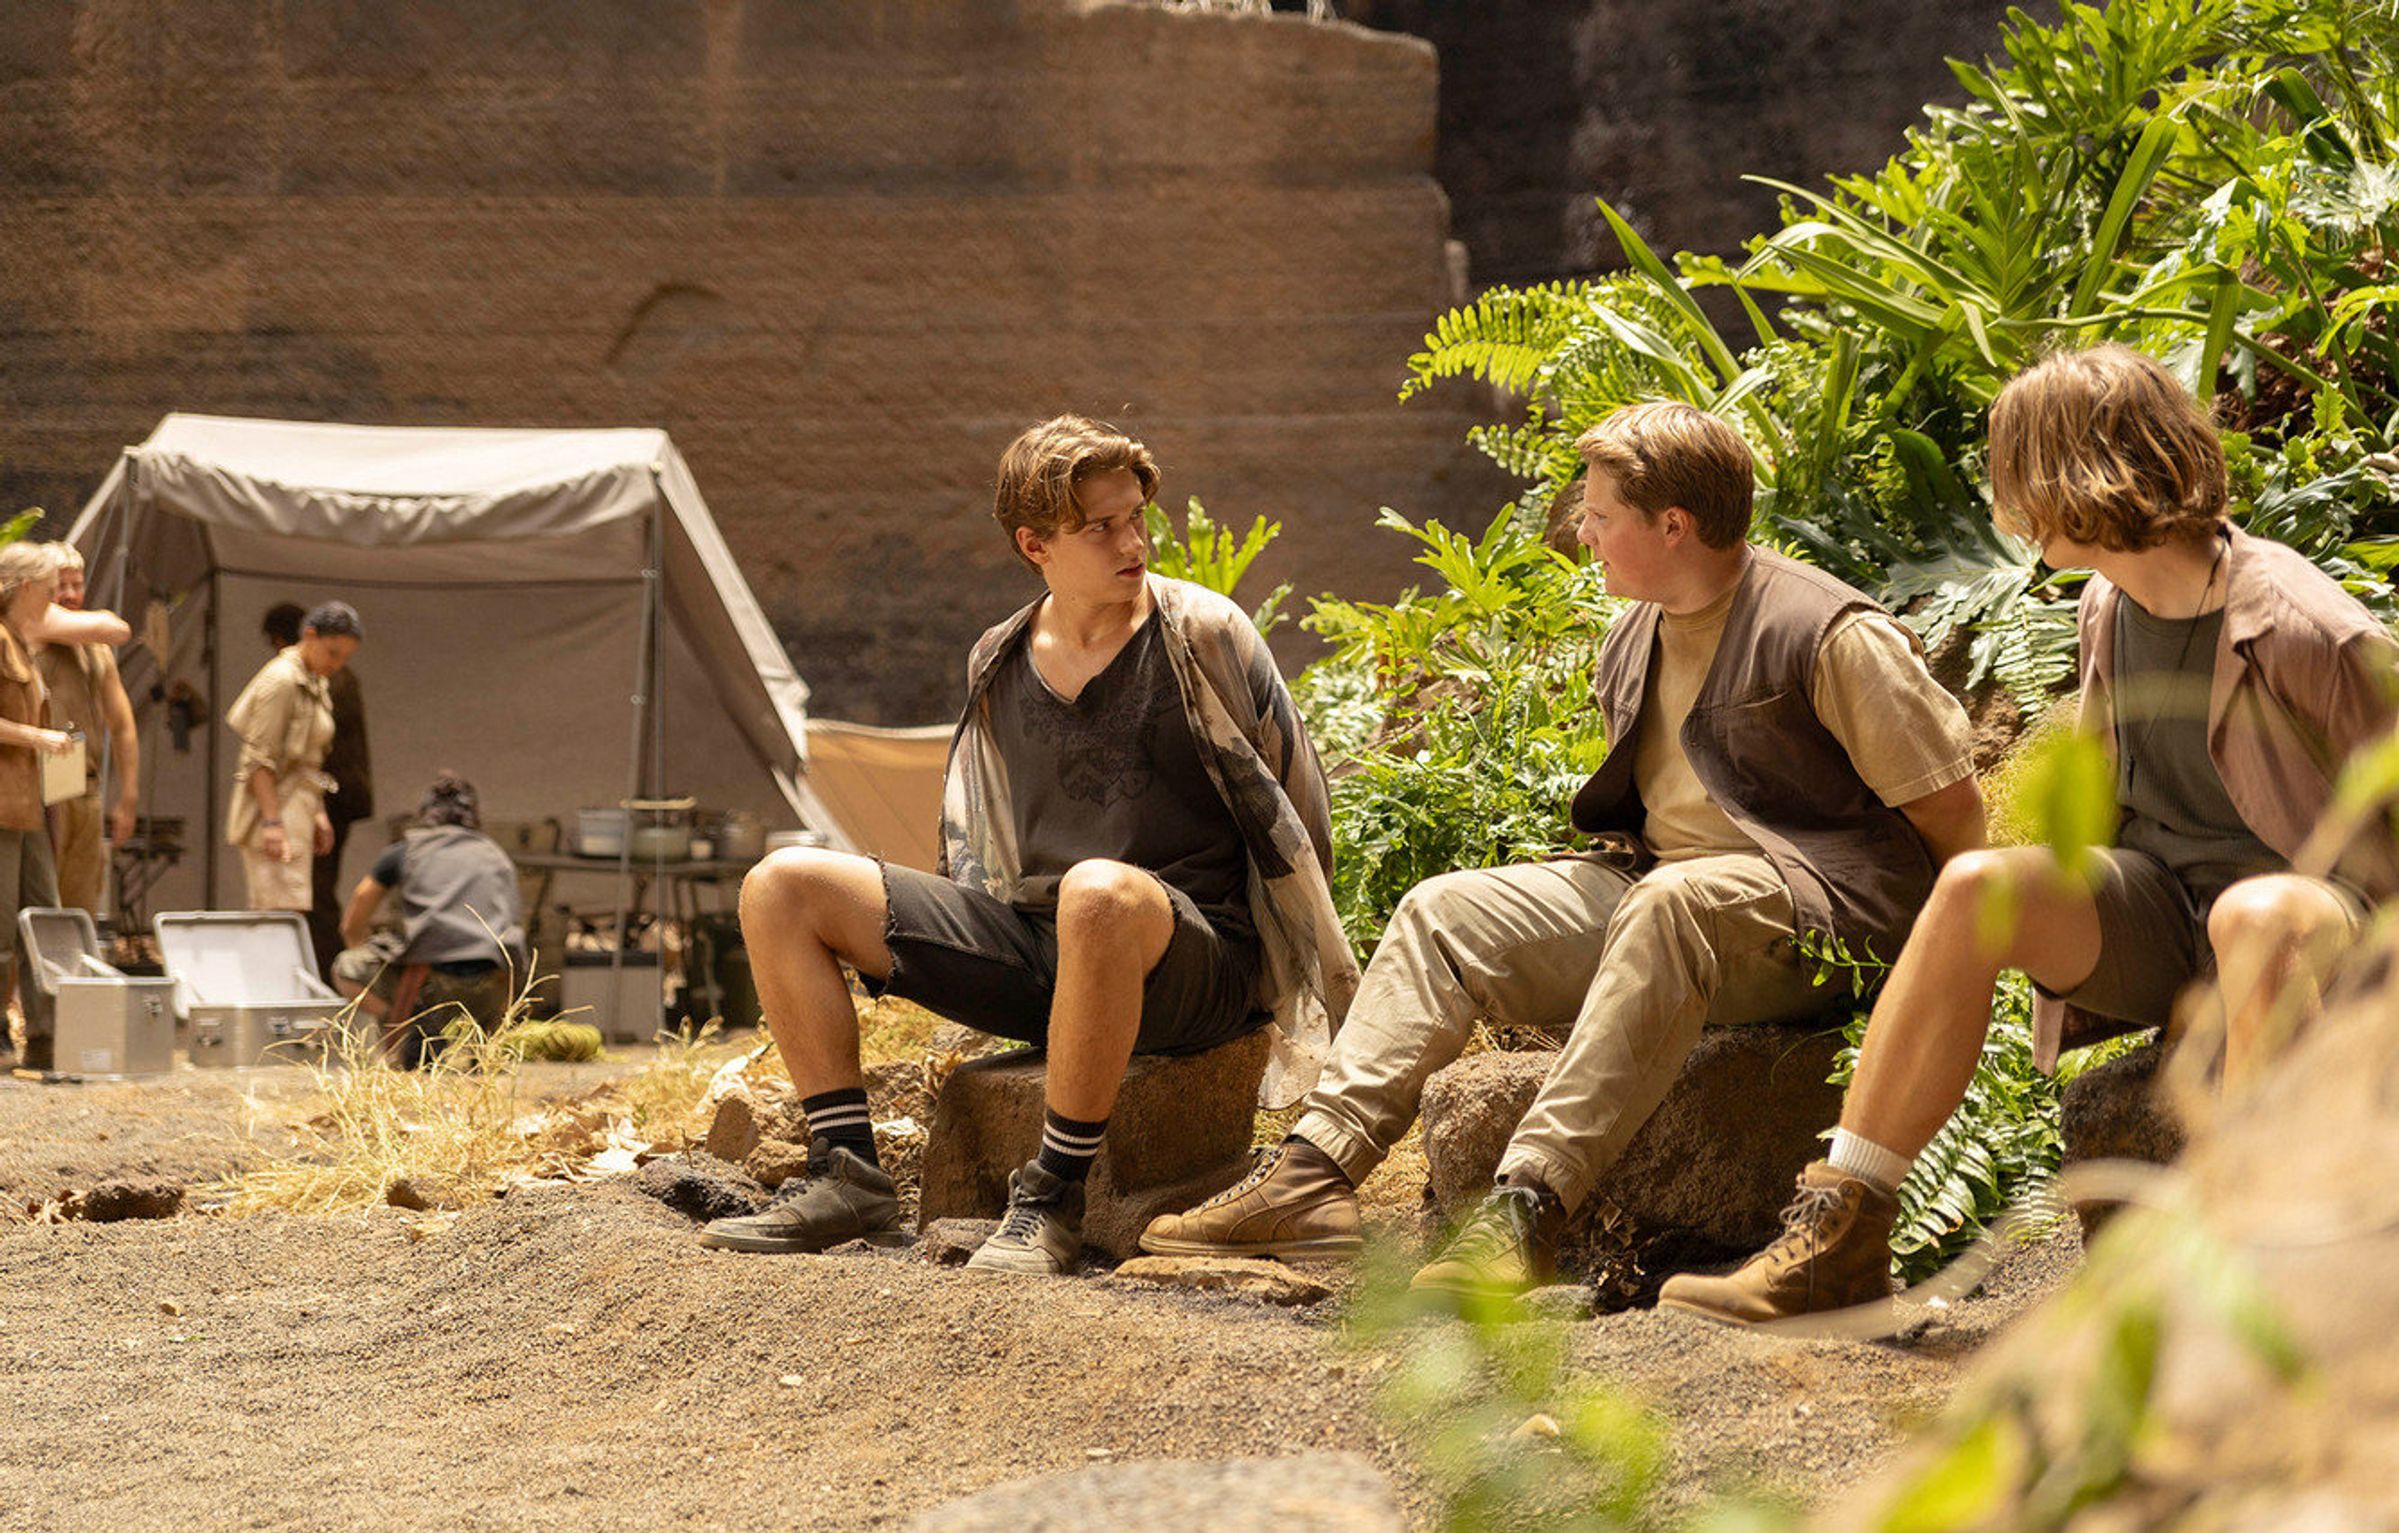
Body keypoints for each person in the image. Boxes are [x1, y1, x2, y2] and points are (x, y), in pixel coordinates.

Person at [1140, 401, 1987, 1300]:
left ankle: (1525, 1211)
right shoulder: (1634, 631)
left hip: (1819, 920)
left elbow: (1952, 813)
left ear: (1673, 524)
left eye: (1600, 514)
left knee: (1672, 904)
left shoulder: (1826, 632)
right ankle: (1313, 1176)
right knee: (1443, 912)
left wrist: (1930, 979)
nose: (1580, 532)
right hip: (1662, 894)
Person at [1659, 343, 2399, 1327]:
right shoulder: (2107, 606)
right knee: (1977, 887)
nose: (2003, 502)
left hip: (2313, 934)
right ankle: (1838, 1237)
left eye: (2012, 469)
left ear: (2081, 472)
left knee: (2254, 914)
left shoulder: (2305, 628)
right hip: (2172, 916)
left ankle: (2273, 1261)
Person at [699, 414, 1356, 1274]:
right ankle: (846, 1174)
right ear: (1034, 543)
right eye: (1101, 527)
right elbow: (980, 849)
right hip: (1046, 950)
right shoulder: (998, 658)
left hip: (1196, 963)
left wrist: (1297, 977)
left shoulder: (1204, 633)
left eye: (1135, 516)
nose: (1133, 542)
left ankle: (1050, 1197)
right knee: (781, 882)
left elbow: (1300, 820)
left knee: (1098, 890)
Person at [0, 543, 121, 1069]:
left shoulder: (22, 642)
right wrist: (38, 737)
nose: (56, 598)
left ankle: (49, 1035)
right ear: (27, 588)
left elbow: (114, 628)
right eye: (50, 589)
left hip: (32, 803)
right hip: (4, 805)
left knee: (46, 916)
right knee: (2, 924)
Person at [330, 774, 525, 1067]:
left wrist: (358, 945)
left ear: (425, 815)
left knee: (345, 967)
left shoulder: (406, 851)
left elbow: (357, 910)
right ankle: (486, 1044)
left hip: (429, 982)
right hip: (494, 982)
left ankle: (410, 1026)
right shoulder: (495, 854)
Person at [224, 602, 362, 914]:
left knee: (291, 908)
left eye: (344, 657)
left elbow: (309, 759)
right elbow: (258, 758)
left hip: (299, 806)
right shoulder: (282, 679)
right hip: (276, 808)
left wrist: (318, 811)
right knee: (276, 914)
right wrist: (272, 822)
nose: (337, 664)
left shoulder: (314, 681)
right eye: (332, 653)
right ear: (310, 636)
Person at [33, 545, 140, 920]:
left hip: (85, 783)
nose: (69, 594)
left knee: (81, 904)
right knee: (40, 901)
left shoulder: (95, 648)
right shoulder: (29, 631)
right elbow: (112, 627)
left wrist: (128, 796)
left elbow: (122, 724)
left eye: (76, 584)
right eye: (59, 585)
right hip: (40, 783)